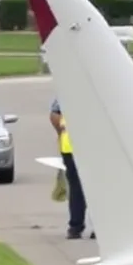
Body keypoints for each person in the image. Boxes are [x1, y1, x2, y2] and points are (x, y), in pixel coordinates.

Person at [49, 98, 90, 240]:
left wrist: (61, 132)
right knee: (97, 187)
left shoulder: (66, 93)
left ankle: (75, 227)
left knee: (76, 188)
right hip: (92, 147)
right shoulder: (97, 92)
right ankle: (96, 227)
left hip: (69, 147)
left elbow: (54, 115)